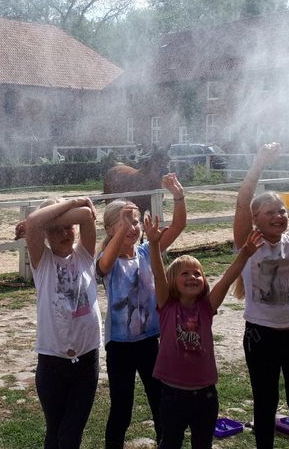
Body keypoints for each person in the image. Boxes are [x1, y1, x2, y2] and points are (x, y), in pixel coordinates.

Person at [232, 139, 289, 449]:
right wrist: (258, 163)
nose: (279, 216)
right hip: (261, 335)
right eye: (270, 212)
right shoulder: (247, 242)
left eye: (282, 211)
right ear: (256, 218)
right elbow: (243, 198)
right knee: (264, 405)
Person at [146, 213, 260, 449]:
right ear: (172, 281)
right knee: (170, 443)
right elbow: (158, 273)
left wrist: (245, 253)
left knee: (203, 445)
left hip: (205, 395)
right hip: (171, 394)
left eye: (197, 273)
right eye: (184, 273)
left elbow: (227, 279)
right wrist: (155, 244)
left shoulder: (206, 308)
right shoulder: (167, 305)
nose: (192, 277)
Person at [97, 173, 187, 448]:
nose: (133, 228)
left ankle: (165, 443)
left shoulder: (149, 252)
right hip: (120, 347)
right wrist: (123, 226)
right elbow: (103, 266)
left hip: (149, 342)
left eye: (135, 221)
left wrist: (178, 196)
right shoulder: (107, 261)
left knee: (160, 402)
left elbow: (179, 225)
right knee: (121, 410)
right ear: (111, 230)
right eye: (125, 223)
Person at [18, 196, 101, 449]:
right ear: (45, 235)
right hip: (52, 361)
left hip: (87, 359)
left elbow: (87, 215)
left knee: (71, 432)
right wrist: (73, 202)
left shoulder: (85, 254)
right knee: (55, 431)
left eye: (69, 227)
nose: (65, 232)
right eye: (55, 229)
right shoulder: (42, 262)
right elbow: (33, 221)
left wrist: (48, 220)